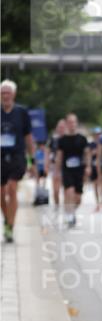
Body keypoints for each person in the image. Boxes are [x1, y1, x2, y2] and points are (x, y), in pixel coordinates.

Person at [1, 80, 35, 242]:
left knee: (12, 188)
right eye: (2, 93)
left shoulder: (22, 112)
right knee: (1, 193)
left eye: (7, 92)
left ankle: (10, 225)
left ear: (13, 94)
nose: (5, 96)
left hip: (17, 156)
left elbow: (28, 137)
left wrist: (32, 159)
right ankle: (7, 219)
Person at [56, 113, 90, 228]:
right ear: (66, 124)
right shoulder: (62, 140)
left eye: (74, 122)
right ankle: (69, 216)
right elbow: (59, 156)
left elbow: (87, 153)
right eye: (70, 122)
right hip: (67, 170)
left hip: (79, 171)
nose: (72, 124)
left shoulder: (82, 139)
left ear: (76, 123)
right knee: (69, 191)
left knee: (78, 198)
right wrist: (57, 171)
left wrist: (88, 167)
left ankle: (71, 211)